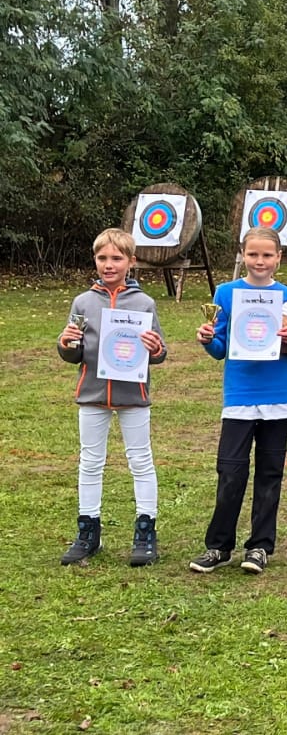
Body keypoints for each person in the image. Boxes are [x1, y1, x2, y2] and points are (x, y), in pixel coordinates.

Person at [189, 226, 287, 575]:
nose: (260, 261)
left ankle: (259, 546)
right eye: (253, 254)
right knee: (230, 471)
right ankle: (218, 546)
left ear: (279, 258)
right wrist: (207, 339)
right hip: (239, 398)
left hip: (276, 398)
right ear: (243, 256)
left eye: (267, 255)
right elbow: (220, 349)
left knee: (270, 474)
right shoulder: (226, 293)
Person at [57, 228, 167, 566]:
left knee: (140, 461)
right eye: (103, 258)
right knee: (90, 462)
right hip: (92, 395)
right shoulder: (83, 302)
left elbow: (159, 352)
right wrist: (66, 343)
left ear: (131, 262)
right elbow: (73, 353)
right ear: (95, 260)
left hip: (133, 395)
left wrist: (155, 348)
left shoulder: (144, 303)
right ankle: (88, 530)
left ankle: (145, 531)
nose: (109, 264)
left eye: (117, 258)